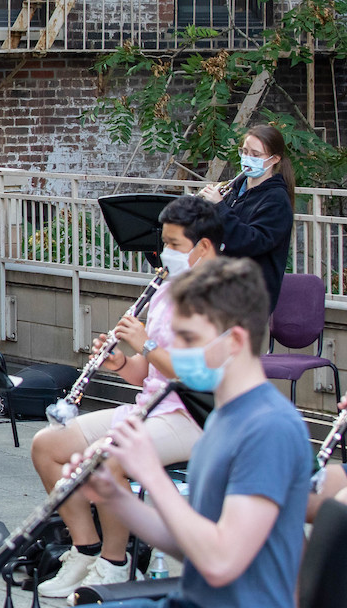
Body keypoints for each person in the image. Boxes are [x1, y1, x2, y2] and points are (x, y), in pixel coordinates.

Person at [76, 257, 309, 608]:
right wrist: (114, 497)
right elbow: (191, 543)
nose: (174, 352)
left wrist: (151, 474)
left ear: (234, 342)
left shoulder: (268, 427)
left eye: (187, 339)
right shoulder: (221, 416)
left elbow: (220, 562)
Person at [33, 196, 219, 598]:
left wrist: (147, 344)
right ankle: (85, 549)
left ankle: (116, 564)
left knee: (109, 456)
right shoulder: (167, 290)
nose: (164, 254)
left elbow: (197, 376)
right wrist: (119, 361)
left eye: (174, 246)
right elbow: (146, 374)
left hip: (192, 417)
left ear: (203, 248)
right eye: (163, 244)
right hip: (150, 408)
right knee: (46, 445)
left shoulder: (219, 297)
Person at [198, 124, 295, 313]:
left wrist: (220, 207)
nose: (247, 158)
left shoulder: (276, 200)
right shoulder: (234, 188)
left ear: (274, 159)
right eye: (244, 151)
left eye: (256, 155)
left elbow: (251, 242)